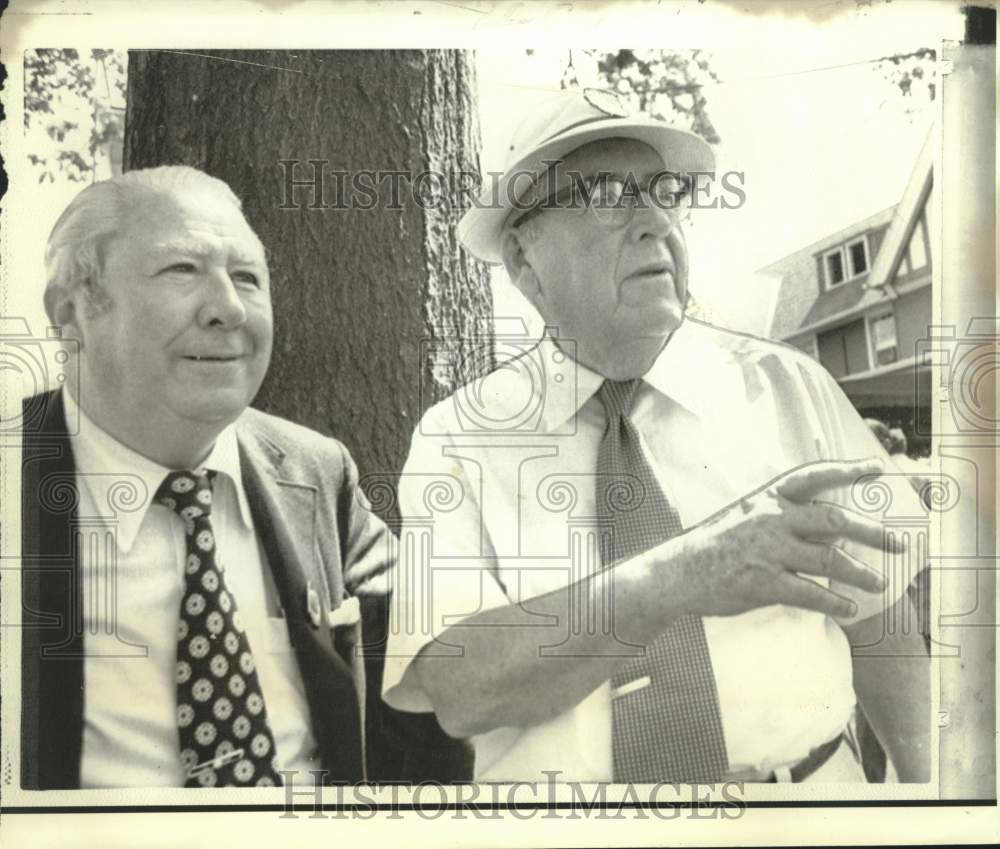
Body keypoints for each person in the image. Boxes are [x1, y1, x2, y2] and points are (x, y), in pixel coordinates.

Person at [382, 89, 930, 784]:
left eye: (664, 191)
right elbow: (458, 690)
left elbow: (885, 626)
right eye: (608, 194)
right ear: (524, 261)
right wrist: (679, 576)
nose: (652, 221)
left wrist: (933, 799)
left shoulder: (795, 389)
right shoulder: (457, 439)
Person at [20, 166, 401, 790]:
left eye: (247, 277)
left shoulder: (315, 471)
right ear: (72, 309)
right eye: (182, 271)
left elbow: (431, 661)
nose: (228, 307)